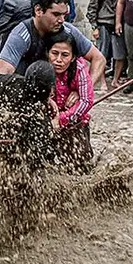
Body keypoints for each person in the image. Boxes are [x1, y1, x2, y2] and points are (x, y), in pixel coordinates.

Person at [0, 0, 106, 87]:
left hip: (61, 95)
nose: (61, 20)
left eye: (64, 15)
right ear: (38, 10)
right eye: (56, 15)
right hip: (27, 90)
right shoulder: (21, 34)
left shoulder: (68, 30)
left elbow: (99, 59)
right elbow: (3, 75)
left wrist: (84, 90)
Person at [47, 30, 94, 167]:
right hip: (47, 122)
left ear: (73, 57)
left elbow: (86, 100)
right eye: (54, 53)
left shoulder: (79, 68)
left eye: (65, 55)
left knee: (82, 165)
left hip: (75, 123)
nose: (59, 60)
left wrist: (61, 119)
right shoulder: (41, 68)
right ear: (47, 53)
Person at [85, 0, 120, 80]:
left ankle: (115, 78)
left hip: (117, 23)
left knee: (118, 54)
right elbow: (92, 8)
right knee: (102, 53)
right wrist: (94, 27)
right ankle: (100, 79)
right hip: (103, 23)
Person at [107, 0, 130, 90]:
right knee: (118, 54)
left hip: (129, 25)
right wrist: (116, 22)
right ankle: (115, 79)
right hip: (117, 25)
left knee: (126, 53)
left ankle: (122, 76)